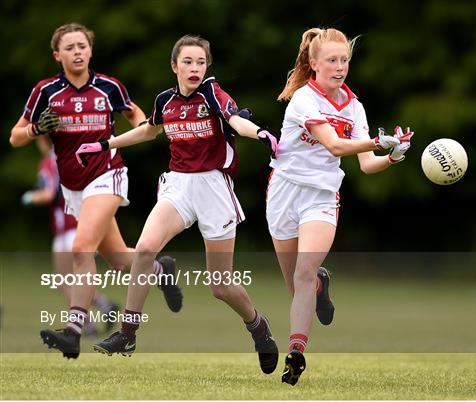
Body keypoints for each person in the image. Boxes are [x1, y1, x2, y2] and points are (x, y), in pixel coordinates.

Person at [75, 34, 280, 374]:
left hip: (214, 187)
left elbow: (236, 121)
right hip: (179, 185)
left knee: (220, 287)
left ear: (207, 66)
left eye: (200, 62)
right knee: (144, 249)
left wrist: (259, 133)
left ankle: (258, 327)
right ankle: (128, 333)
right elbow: (147, 130)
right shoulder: (165, 101)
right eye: (187, 61)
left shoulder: (213, 94)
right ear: (174, 66)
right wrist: (104, 145)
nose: (194, 67)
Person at [9, 23, 183, 359]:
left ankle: (73, 332)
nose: (77, 51)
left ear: (90, 51)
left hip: (107, 176)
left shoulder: (107, 87)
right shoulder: (45, 91)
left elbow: (138, 117)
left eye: (82, 46)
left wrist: (149, 130)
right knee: (119, 260)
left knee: (80, 248)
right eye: (69, 47)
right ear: (57, 55)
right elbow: (15, 137)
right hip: (72, 187)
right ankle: (161, 270)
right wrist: (34, 129)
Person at [268, 27, 413, 385]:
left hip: (321, 197)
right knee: (296, 284)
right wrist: (375, 142)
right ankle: (319, 286)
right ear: (314, 63)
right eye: (332, 60)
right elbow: (334, 146)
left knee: (302, 273)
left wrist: (392, 157)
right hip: (284, 193)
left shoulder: (355, 107)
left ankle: (296, 355)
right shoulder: (305, 99)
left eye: (344, 60)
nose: (339, 66)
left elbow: (366, 165)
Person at [21, 136, 119, 336]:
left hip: (66, 228)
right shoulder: (73, 156)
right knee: (74, 279)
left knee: (64, 281)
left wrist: (30, 197)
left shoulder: (50, 160)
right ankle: (94, 316)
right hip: (83, 223)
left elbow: (48, 193)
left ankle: (97, 312)